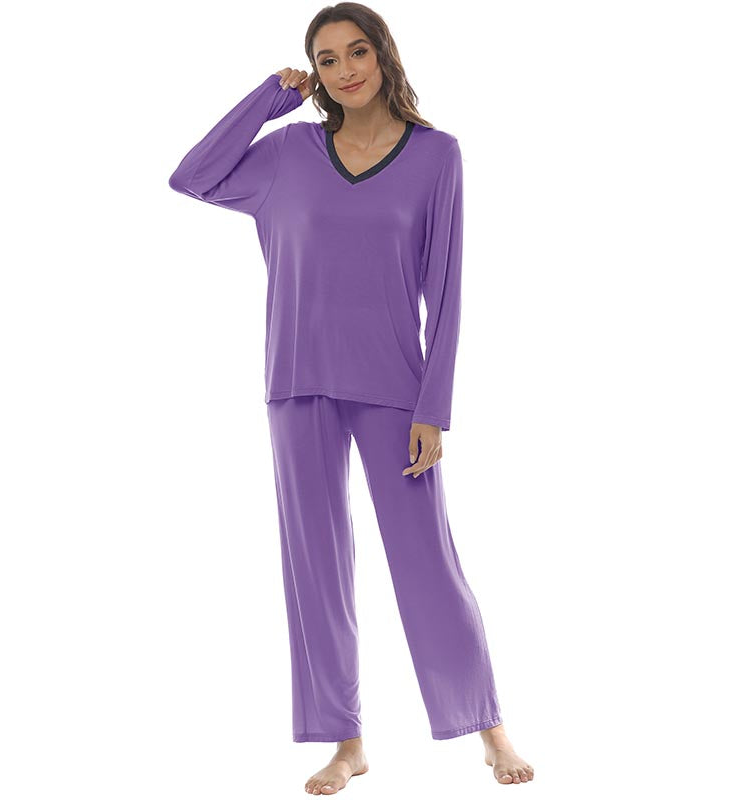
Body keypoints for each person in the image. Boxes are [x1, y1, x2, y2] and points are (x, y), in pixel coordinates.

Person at [168, 3, 534, 793]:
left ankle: (488, 726)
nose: (344, 70)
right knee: (316, 568)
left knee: (427, 562)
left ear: (383, 55)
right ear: (315, 73)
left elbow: (448, 287)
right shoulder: (287, 152)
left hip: (395, 387)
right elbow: (192, 177)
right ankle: (346, 741)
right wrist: (269, 99)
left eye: (356, 51)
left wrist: (434, 406)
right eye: (327, 59)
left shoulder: (436, 156)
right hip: (297, 380)